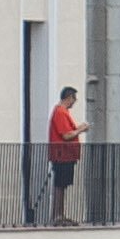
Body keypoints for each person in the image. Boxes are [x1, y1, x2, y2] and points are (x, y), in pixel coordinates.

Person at [45, 85, 88, 222]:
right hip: (62, 155)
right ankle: (57, 215)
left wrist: (79, 128)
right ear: (69, 98)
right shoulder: (60, 112)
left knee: (62, 184)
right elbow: (66, 135)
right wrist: (80, 130)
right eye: (74, 99)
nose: (74, 102)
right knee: (60, 184)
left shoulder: (63, 112)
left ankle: (59, 214)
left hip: (67, 155)